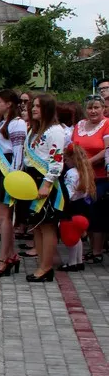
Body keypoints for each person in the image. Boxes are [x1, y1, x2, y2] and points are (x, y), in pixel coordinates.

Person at [23, 94, 68, 282]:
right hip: (32, 179)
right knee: (37, 226)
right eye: (33, 106)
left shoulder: (55, 131)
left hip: (46, 181)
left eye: (38, 107)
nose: (33, 109)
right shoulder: (34, 130)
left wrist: (47, 184)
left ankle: (46, 267)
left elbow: (56, 161)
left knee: (47, 226)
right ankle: (42, 264)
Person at [0, 90, 26, 276]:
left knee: (4, 218)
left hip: (7, 170)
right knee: (1, 216)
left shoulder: (17, 123)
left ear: (9, 104)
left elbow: (18, 152)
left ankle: (4, 258)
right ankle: (10, 254)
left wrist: (13, 177)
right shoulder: (1, 122)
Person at [71, 95, 109, 264]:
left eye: (96, 108)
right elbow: (73, 146)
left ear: (103, 109)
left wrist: (87, 163)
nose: (93, 111)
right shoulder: (79, 125)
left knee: (96, 210)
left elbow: (107, 150)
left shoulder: (107, 124)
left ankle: (97, 251)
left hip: (99, 176)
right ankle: (86, 248)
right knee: (82, 210)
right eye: (90, 108)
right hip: (80, 176)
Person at [62, 144, 97, 272]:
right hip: (83, 206)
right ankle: (79, 261)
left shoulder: (71, 173)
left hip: (73, 207)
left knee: (71, 236)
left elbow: (69, 193)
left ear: (72, 159)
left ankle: (72, 263)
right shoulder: (86, 172)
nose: (65, 162)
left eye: (66, 159)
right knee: (78, 236)